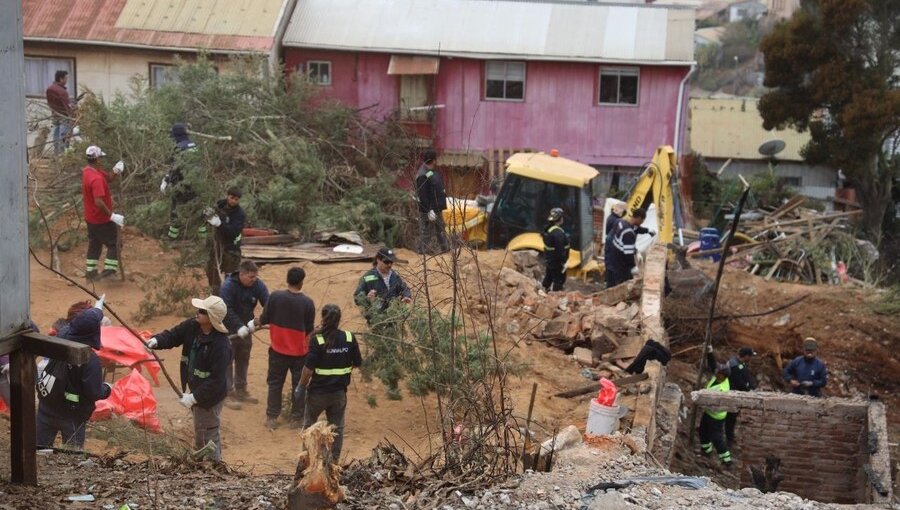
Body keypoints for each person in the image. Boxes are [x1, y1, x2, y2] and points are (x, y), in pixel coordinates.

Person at [146, 296, 232, 461]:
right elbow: (173, 336)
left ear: (211, 318)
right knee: (202, 430)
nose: (197, 313)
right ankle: (203, 464)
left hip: (210, 397)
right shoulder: (193, 326)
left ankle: (214, 466)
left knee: (208, 433)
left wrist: (194, 398)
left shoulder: (221, 346)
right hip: (197, 390)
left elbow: (216, 381)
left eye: (202, 311)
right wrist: (156, 341)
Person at [36, 302, 112, 449]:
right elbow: (93, 392)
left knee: (39, 452)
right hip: (72, 415)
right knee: (72, 456)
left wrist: (95, 312)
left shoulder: (62, 335)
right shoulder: (91, 360)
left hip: (47, 406)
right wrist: (107, 389)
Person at [300, 304, 362, 460]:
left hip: (317, 394)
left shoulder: (318, 339)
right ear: (339, 319)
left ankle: (307, 459)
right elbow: (357, 363)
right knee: (337, 429)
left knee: (309, 426)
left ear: (323, 318)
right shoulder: (349, 337)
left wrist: (301, 386)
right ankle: (333, 462)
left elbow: (308, 370)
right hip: (339, 393)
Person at [257, 267, 315, 429]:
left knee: (275, 383)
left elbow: (264, 318)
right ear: (301, 282)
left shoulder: (275, 297)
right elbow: (309, 330)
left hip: (277, 350)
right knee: (299, 385)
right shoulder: (308, 303)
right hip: (299, 352)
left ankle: (272, 417)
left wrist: (257, 321)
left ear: (287, 279)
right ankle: (297, 418)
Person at [220, 260, 269, 409]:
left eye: (255, 277)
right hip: (227, 328)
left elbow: (268, 303)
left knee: (243, 357)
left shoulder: (258, 285)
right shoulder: (228, 286)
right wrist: (238, 326)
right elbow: (226, 309)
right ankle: (226, 393)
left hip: (247, 328)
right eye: (251, 277)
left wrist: (260, 321)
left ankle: (241, 389)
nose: (254, 279)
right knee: (227, 360)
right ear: (242, 274)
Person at [82, 145, 125, 281]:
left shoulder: (88, 172)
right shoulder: (97, 179)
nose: (102, 160)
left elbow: (109, 178)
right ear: (97, 159)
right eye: (101, 157)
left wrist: (116, 170)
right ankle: (109, 272)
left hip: (90, 218)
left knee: (95, 244)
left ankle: (90, 273)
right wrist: (112, 216)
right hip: (101, 219)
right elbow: (99, 202)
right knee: (115, 243)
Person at [707, 345, 757, 443]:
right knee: (730, 419)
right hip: (732, 395)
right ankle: (728, 439)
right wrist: (749, 390)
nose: (751, 358)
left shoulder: (736, 362)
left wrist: (751, 386)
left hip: (733, 394)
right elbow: (740, 382)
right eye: (750, 356)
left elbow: (746, 378)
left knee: (730, 419)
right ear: (746, 356)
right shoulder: (736, 366)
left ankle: (727, 437)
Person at [160, 123, 200, 241]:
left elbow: (175, 168)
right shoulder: (194, 145)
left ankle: (172, 237)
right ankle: (202, 239)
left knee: (175, 209)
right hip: (197, 183)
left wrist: (167, 180)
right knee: (197, 210)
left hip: (182, 184)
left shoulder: (178, 147)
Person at [354, 247, 412, 324]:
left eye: (391, 262)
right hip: (376, 320)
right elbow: (357, 297)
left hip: (394, 319)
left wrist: (406, 296)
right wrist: (367, 299)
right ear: (378, 260)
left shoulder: (395, 276)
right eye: (386, 262)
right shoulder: (368, 277)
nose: (389, 265)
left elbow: (404, 288)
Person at [205, 187, 246, 293]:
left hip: (231, 249)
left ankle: (230, 299)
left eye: (236, 199)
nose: (233, 201)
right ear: (227, 195)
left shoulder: (239, 214)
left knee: (231, 278)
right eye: (231, 198)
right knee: (212, 272)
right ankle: (216, 297)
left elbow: (233, 232)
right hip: (217, 246)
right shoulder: (219, 205)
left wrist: (219, 224)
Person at [604, 207, 655, 289]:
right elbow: (628, 254)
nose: (642, 223)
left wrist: (647, 231)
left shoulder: (621, 222)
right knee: (620, 286)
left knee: (611, 283)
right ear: (638, 218)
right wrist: (633, 266)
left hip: (612, 256)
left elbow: (636, 228)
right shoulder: (628, 232)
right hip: (619, 262)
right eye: (642, 221)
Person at [414, 149, 450, 255]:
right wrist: (429, 210)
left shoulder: (431, 171)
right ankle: (421, 253)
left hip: (437, 207)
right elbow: (422, 195)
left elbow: (435, 186)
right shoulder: (422, 175)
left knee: (440, 230)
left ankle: (445, 249)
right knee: (426, 232)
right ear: (434, 160)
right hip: (428, 210)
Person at [698, 363, 733, 467]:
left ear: (723, 375)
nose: (716, 373)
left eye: (719, 373)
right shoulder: (718, 378)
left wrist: (700, 400)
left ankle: (727, 460)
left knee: (717, 438)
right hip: (708, 413)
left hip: (716, 417)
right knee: (703, 431)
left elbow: (712, 403)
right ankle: (706, 450)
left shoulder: (722, 389)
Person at [541, 207, 570, 292]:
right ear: (560, 219)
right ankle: (555, 298)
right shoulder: (558, 233)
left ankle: (542, 293)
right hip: (557, 262)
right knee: (559, 280)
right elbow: (560, 250)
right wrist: (563, 261)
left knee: (548, 278)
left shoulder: (550, 230)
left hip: (550, 260)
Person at [46, 70, 73, 154]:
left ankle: (56, 153)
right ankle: (63, 154)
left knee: (56, 133)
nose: (66, 80)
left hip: (55, 115)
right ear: (61, 79)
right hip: (64, 116)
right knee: (63, 135)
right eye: (66, 78)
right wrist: (71, 116)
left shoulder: (49, 89)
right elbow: (67, 106)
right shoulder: (62, 91)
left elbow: (49, 102)